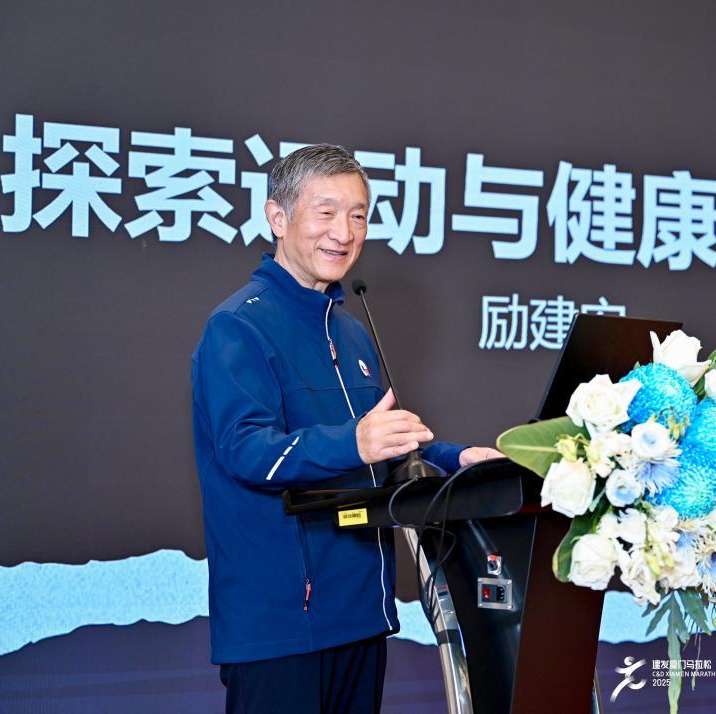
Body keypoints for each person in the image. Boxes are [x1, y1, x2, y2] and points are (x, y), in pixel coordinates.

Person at [191, 144, 502, 713]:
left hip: (361, 615)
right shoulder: (237, 327)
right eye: (326, 212)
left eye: (358, 215)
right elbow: (244, 450)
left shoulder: (352, 333)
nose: (344, 232)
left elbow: (383, 443)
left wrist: (456, 460)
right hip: (282, 627)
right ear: (278, 217)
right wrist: (352, 442)